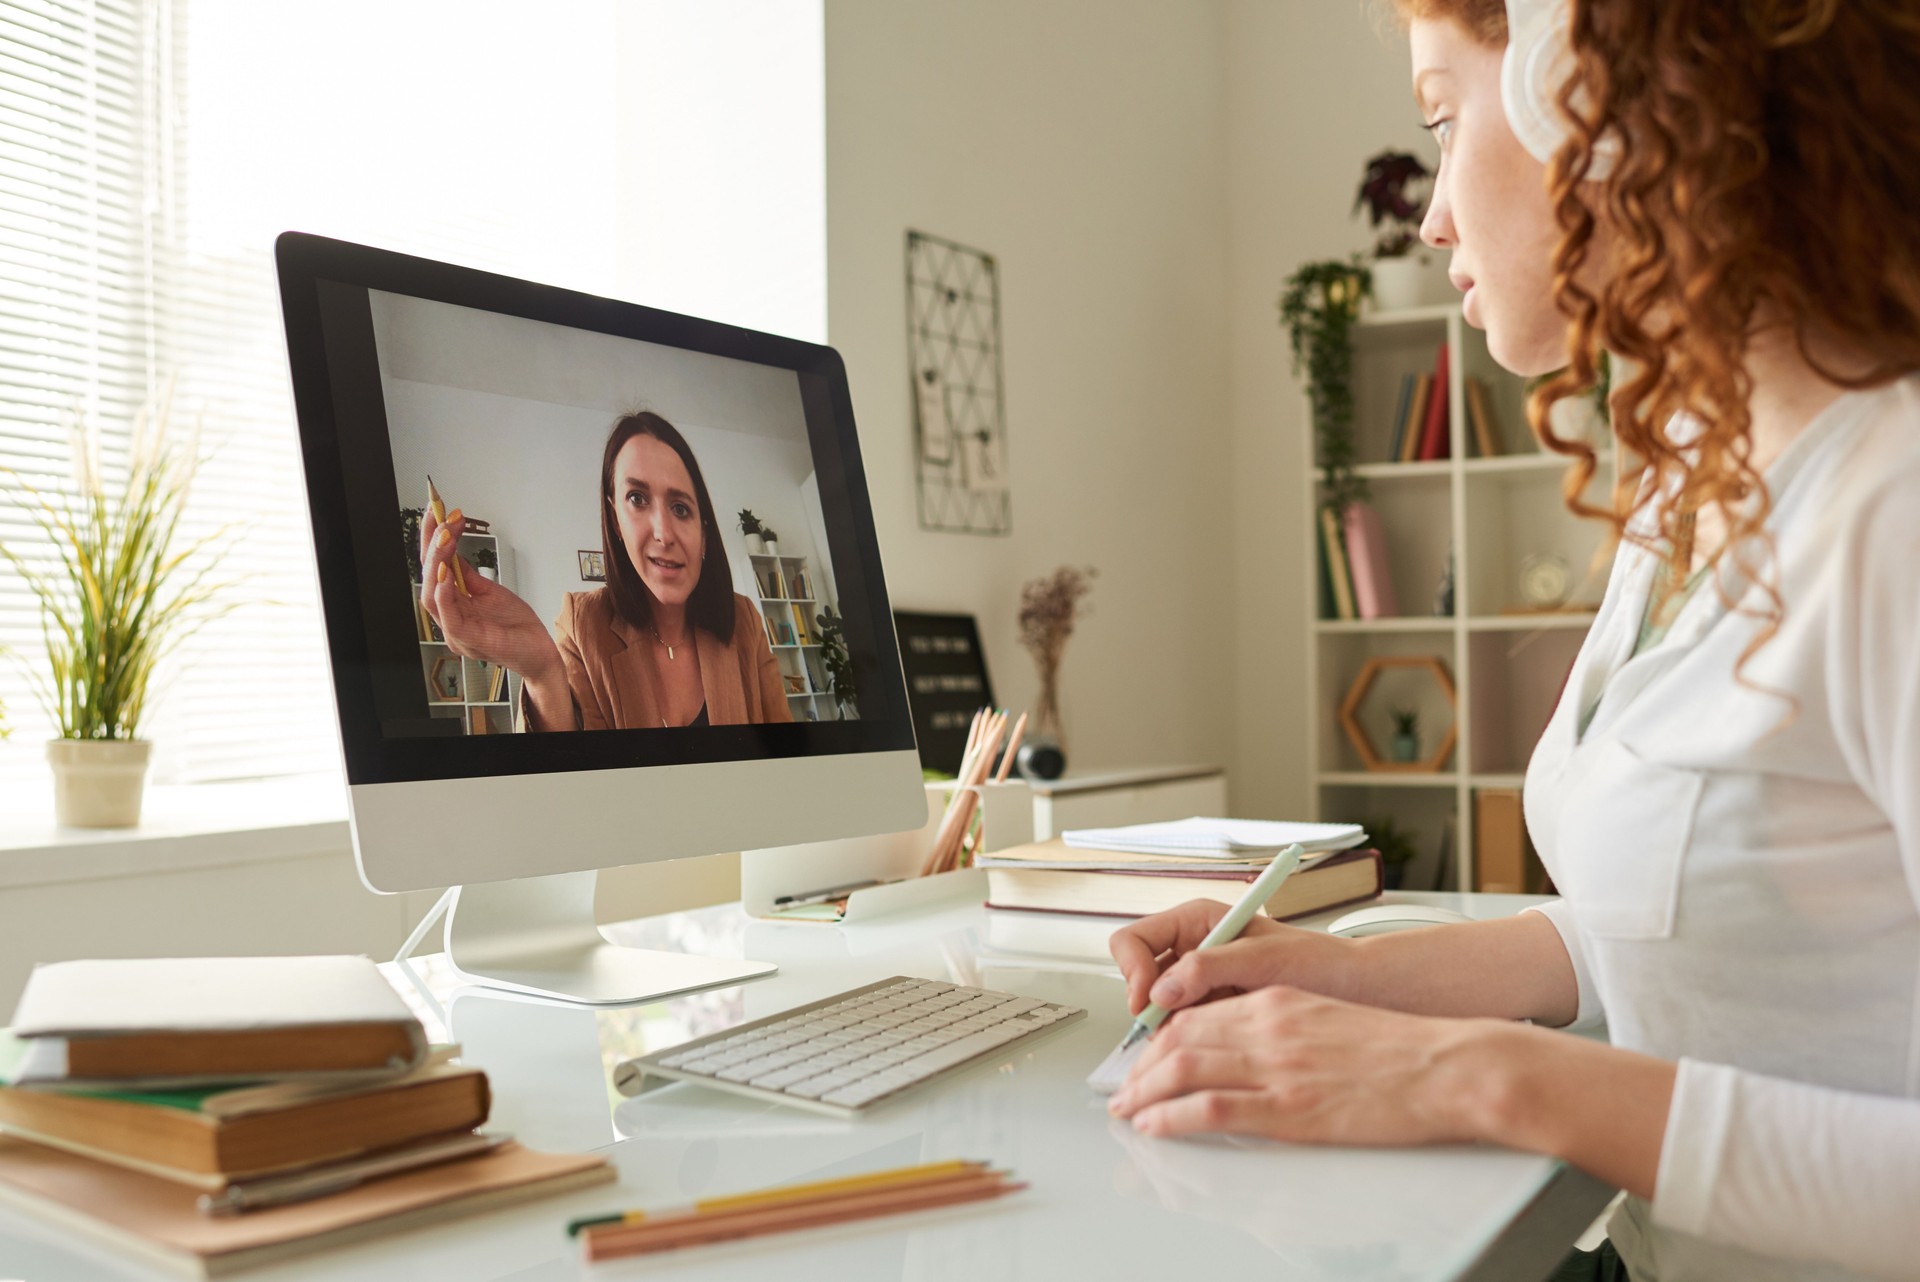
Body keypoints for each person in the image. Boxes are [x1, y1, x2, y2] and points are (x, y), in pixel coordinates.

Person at [1107, 2, 1920, 1279]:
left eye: (1443, 118)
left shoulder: (1895, 501)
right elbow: (1662, 936)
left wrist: (1486, 1078)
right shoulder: (1691, 481)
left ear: (1597, 104)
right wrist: (1332, 974)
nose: (1431, 216)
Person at [419, 411, 792, 730]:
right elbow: (573, 794)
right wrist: (542, 674)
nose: (663, 533)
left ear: (704, 533)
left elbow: (792, 767)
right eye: (638, 499)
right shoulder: (582, 626)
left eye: (681, 508)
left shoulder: (745, 623)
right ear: (615, 520)